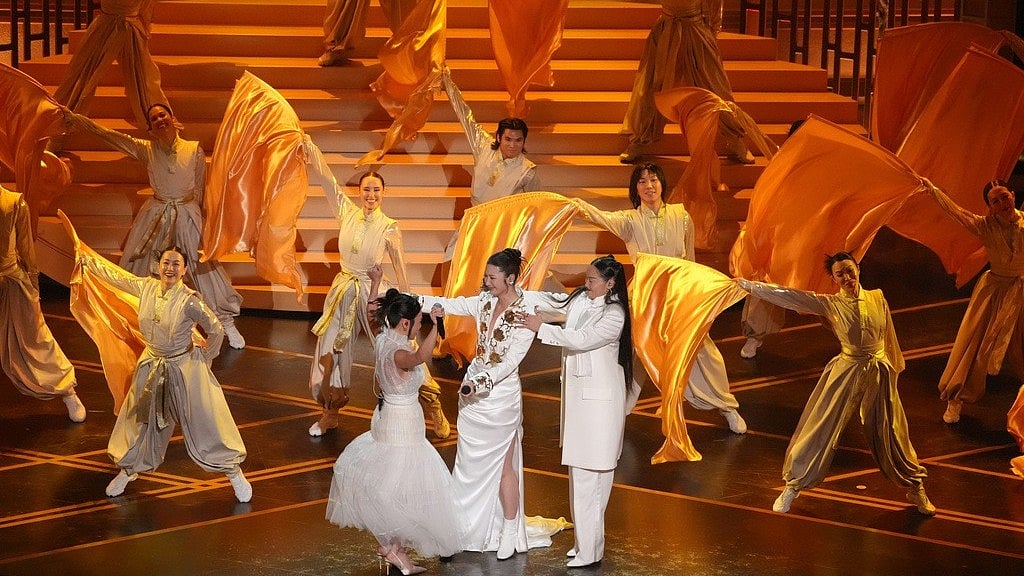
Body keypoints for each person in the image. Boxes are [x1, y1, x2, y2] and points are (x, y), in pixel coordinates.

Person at [738, 252, 935, 516]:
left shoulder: (877, 297)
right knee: (821, 426)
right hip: (847, 368)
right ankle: (793, 486)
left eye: (849, 270)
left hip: (878, 370)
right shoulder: (830, 304)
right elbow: (789, 295)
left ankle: (914, 486)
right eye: (840, 273)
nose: (846, 277)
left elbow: (889, 336)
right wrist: (749, 286)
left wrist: (893, 372)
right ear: (833, 278)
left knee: (892, 431)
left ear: (858, 269)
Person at [572, 162, 748, 434]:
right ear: (635, 189)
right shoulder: (629, 220)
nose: (649, 186)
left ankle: (727, 407)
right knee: (639, 352)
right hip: (645, 298)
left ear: (662, 184)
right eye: (642, 181)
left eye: (653, 180)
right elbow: (600, 217)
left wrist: (696, 295)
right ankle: (625, 404)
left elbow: (689, 260)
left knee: (702, 350)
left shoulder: (681, 216)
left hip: (678, 296)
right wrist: (575, 204)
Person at [67, 104, 246, 349]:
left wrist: (207, 224)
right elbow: (111, 137)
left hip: (187, 213)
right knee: (144, 266)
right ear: (150, 128)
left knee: (204, 268)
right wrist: (78, 120)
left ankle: (225, 322)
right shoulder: (146, 150)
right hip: (157, 214)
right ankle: (140, 320)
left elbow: (202, 188)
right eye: (154, 119)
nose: (160, 119)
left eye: (163, 115)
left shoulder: (193, 149)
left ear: (173, 118)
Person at [81, 247, 251, 502]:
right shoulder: (146, 287)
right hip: (151, 366)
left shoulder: (189, 300)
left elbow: (215, 328)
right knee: (141, 422)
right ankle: (129, 470)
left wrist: (206, 357)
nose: (170, 268)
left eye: (176, 264)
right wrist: (89, 262)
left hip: (184, 369)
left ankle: (233, 472)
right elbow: (117, 277)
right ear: (157, 265)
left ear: (183, 270)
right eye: (166, 262)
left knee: (205, 422)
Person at [306, 146, 450, 439]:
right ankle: (331, 411)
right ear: (359, 192)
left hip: (373, 293)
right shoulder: (346, 212)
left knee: (397, 349)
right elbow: (326, 180)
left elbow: (400, 265)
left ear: (383, 193)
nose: (370, 195)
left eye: (376, 190)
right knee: (332, 349)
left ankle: (433, 403)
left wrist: (410, 303)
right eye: (366, 190)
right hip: (343, 290)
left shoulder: (389, 227)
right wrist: (309, 147)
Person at [419, 248, 550, 559]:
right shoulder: (484, 300)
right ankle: (463, 526)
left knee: (504, 466)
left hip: (500, 396)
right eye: (486, 276)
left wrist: (482, 382)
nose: (486, 281)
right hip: (473, 395)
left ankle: (507, 530)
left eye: (492, 277)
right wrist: (406, 297)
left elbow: (511, 362)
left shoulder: (526, 310)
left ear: (510, 278)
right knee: (468, 462)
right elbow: (450, 303)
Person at [326, 288, 463, 575]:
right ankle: (393, 549)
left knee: (397, 485)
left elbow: (370, 312)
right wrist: (436, 325)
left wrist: (376, 283)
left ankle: (396, 550)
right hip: (401, 425)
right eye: (417, 322)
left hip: (389, 418)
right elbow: (422, 355)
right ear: (405, 324)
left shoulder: (382, 339)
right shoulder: (400, 353)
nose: (419, 326)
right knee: (403, 488)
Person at [519, 255, 631, 568]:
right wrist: (516, 293)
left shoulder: (615, 314)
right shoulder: (583, 299)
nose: (586, 284)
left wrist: (542, 329)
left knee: (591, 480)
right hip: (582, 406)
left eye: (593, 279)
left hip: (599, 408)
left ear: (610, 283)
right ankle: (587, 542)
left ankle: (590, 550)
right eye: (587, 277)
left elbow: (582, 339)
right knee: (580, 478)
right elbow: (555, 302)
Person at [925, 180, 1024, 424]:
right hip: (994, 291)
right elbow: (955, 212)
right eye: (995, 201)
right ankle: (955, 398)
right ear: (989, 207)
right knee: (975, 346)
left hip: (1021, 289)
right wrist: (932, 189)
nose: (1002, 203)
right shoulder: (985, 226)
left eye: (1004, 197)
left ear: (1012, 195)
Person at [619, 0, 752, 164]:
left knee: (716, 86)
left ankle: (734, 140)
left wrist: (713, 27)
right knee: (652, 86)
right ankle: (640, 140)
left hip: (696, 28)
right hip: (666, 28)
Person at [1, 185, 86, 422]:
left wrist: (33, 286)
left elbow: (26, 249)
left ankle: (68, 391)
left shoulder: (13, 203)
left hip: (11, 281)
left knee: (36, 338)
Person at [440, 68, 541, 259]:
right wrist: (447, 83)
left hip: (501, 228)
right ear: (499, 137)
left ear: (524, 141)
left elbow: (535, 208)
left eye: (518, 140)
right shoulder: (483, 146)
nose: (512, 145)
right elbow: (464, 115)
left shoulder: (527, 171)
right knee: (453, 260)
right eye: (508, 139)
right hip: (473, 219)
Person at [737, 119, 805, 359]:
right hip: (780, 237)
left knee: (826, 289)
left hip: (810, 240)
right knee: (765, 282)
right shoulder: (781, 164)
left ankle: (845, 334)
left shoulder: (826, 167)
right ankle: (754, 336)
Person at [54, 0, 167, 128]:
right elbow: (146, 8)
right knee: (83, 75)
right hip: (117, 25)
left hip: (116, 26)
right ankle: (62, 122)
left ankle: (61, 121)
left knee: (82, 74)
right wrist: (145, 25)